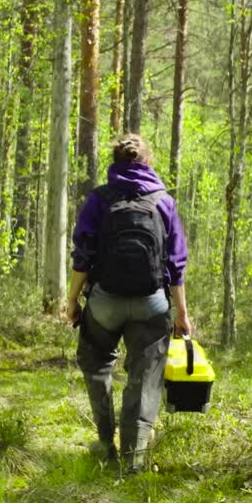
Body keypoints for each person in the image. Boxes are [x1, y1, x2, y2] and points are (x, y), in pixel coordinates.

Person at [66, 134, 191, 473]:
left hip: (105, 301)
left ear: (115, 162)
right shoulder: (164, 202)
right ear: (147, 161)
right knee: (145, 376)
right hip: (152, 304)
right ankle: (133, 460)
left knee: (96, 364)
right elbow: (176, 265)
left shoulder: (100, 199)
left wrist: (72, 300)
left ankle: (106, 445)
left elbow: (83, 256)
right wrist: (182, 313)